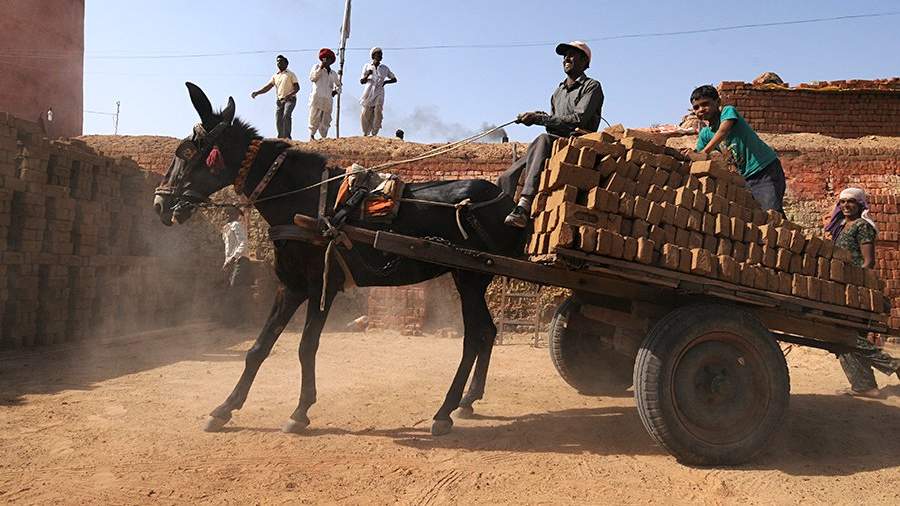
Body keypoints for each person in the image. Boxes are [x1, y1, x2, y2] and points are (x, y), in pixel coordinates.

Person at [500, 41, 604, 228]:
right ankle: (502, 210)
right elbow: (554, 125)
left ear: (585, 62)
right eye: (565, 55)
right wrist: (537, 117)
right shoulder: (558, 92)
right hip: (556, 141)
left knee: (542, 139)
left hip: (578, 142)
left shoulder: (592, 87)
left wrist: (541, 119)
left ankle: (524, 205)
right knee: (507, 175)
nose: (567, 59)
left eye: (573, 55)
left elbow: (578, 119)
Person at [824, 188, 900, 398]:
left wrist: (860, 286)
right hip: (843, 287)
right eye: (842, 202)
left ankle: (894, 364)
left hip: (857, 290)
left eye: (851, 202)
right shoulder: (841, 226)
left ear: (860, 205)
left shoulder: (863, 226)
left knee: (847, 336)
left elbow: (868, 262)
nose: (846, 206)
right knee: (847, 338)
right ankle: (865, 386)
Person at [685, 85, 786, 215]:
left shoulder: (727, 112)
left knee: (771, 214)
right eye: (696, 107)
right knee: (760, 217)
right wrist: (689, 155)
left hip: (765, 170)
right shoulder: (705, 134)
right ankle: (795, 236)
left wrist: (704, 152)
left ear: (718, 102)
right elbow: (698, 156)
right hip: (746, 179)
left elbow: (723, 131)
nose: (701, 110)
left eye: (705, 104)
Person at [251, 55, 300, 139]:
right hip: (280, 101)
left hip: (290, 99)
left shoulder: (291, 74)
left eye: (281, 61)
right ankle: (281, 137)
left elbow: (297, 88)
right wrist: (257, 92)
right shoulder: (275, 76)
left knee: (286, 115)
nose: (279, 63)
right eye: (277, 61)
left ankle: (287, 137)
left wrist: (289, 95)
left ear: (286, 64)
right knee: (278, 120)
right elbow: (268, 87)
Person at [359, 47, 397, 136]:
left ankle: (375, 132)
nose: (380, 56)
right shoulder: (367, 66)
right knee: (365, 114)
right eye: (378, 54)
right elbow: (361, 81)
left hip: (379, 92)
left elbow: (394, 79)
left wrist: (386, 82)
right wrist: (367, 74)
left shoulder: (384, 68)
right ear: (373, 56)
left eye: (381, 55)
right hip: (368, 93)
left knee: (378, 111)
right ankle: (365, 133)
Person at [308, 48, 342, 140]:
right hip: (317, 97)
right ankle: (312, 136)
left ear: (331, 61)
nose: (325, 60)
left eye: (327, 59)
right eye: (324, 58)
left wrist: (335, 91)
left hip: (327, 99)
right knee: (314, 117)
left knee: (326, 119)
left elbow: (339, 85)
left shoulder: (333, 73)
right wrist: (321, 67)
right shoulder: (316, 67)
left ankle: (323, 137)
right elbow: (312, 78)